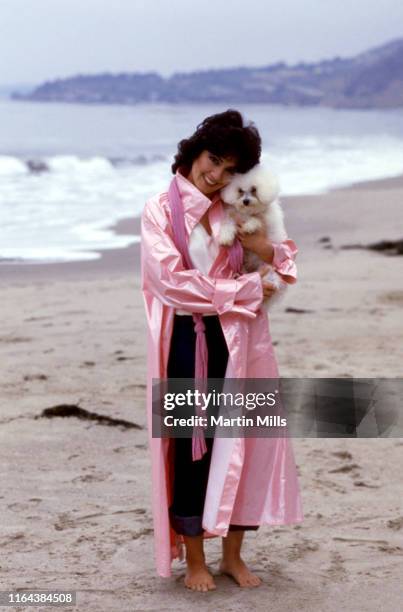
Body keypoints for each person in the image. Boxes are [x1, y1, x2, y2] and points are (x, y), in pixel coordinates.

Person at [141, 109, 303, 591]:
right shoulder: (159, 210)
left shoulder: (235, 206)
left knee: (247, 444)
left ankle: (233, 556)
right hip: (191, 340)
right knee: (194, 448)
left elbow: (284, 255)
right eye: (213, 160)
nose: (217, 174)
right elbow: (170, 283)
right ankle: (194, 560)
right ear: (195, 153)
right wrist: (246, 292)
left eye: (230, 169)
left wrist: (269, 253)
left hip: (245, 339)